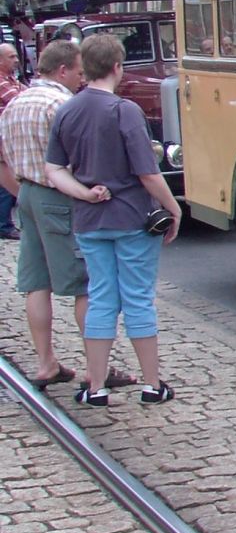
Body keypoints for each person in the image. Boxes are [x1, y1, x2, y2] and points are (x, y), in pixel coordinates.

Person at [45, 34, 183, 407]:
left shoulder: (67, 111)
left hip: (90, 221)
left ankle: (96, 386)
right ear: (117, 67)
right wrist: (174, 207)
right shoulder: (124, 111)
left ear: (84, 67)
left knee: (101, 298)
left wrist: (84, 193)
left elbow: (54, 169)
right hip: (131, 218)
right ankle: (152, 385)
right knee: (138, 299)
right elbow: (148, 173)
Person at [0, 40, 127, 389]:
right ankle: (95, 369)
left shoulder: (16, 102)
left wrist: (24, 193)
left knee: (35, 282)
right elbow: (79, 158)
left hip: (26, 194)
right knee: (84, 284)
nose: (82, 81)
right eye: (79, 73)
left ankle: (46, 362)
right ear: (63, 70)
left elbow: (2, 159)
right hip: (60, 196)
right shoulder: (61, 105)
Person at [0, 42, 28, 239]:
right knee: (4, 183)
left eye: (16, 56)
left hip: (9, 138)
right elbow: (20, 100)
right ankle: (3, 225)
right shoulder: (1, 81)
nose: (16, 60)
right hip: (2, 138)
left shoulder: (11, 79)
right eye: (11, 57)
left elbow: (27, 92)